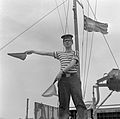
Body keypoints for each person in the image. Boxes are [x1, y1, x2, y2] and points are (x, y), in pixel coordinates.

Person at [25, 34, 88, 119]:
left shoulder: (75, 52)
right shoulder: (59, 53)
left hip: (74, 79)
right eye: (65, 41)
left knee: (79, 102)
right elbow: (47, 53)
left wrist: (61, 72)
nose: (67, 42)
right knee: (63, 104)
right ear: (63, 43)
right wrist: (33, 51)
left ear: (72, 42)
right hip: (63, 80)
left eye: (68, 41)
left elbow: (72, 64)